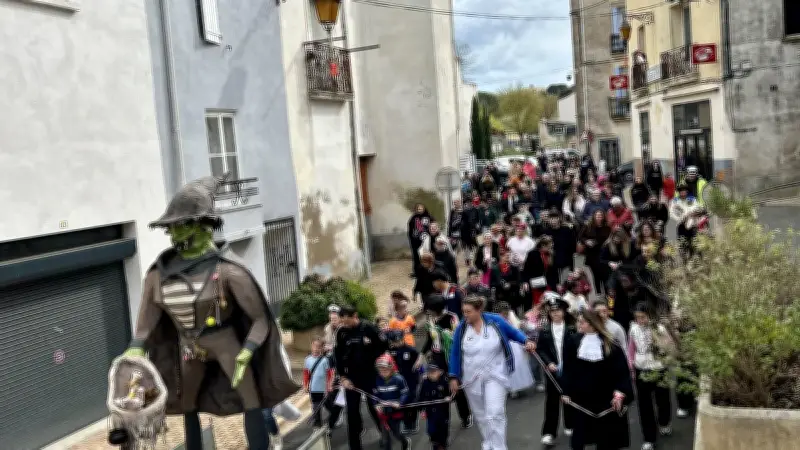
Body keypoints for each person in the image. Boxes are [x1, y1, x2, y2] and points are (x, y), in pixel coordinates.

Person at [120, 175, 298, 450]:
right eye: (172, 228)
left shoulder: (228, 271)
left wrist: (247, 351)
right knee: (187, 403)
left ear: (205, 226)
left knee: (250, 400)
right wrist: (136, 347)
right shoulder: (157, 276)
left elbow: (260, 319)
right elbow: (147, 318)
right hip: (188, 347)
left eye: (184, 225)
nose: (176, 234)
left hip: (226, 344)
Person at [448, 296, 537, 450]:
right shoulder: (461, 329)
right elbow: (455, 353)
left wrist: (526, 341)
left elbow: (514, 333)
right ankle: (488, 442)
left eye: (468, 312)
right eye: (463, 312)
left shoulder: (495, 321)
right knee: (481, 416)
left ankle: (499, 447)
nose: (465, 315)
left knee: (494, 413)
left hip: (495, 375)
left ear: (479, 310)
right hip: (471, 379)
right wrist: (453, 376)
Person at [561, 310, 634, 450]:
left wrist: (620, 393)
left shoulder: (611, 345)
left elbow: (622, 373)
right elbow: (568, 370)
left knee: (606, 439)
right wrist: (566, 391)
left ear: (592, 325)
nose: (579, 324)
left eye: (582, 322)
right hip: (582, 400)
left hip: (605, 400)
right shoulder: (573, 342)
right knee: (579, 438)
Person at [334, 305, 388, 450]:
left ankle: (385, 434)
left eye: (347, 321)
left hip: (370, 375)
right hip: (351, 377)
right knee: (352, 412)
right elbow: (338, 356)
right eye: (342, 321)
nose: (344, 324)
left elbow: (384, 345)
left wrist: (372, 353)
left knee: (374, 407)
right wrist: (343, 377)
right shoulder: (342, 332)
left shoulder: (369, 328)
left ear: (355, 316)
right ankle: (355, 445)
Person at [628, 303, 677, 450]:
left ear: (649, 316)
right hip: (642, 368)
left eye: (643, 317)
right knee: (644, 405)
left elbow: (669, 347)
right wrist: (631, 366)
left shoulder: (659, 329)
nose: (640, 321)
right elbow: (631, 348)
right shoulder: (633, 329)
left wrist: (665, 355)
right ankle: (649, 437)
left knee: (663, 398)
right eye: (637, 318)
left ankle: (664, 422)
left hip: (659, 368)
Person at [421, 294, 473, 428]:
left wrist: (445, 334)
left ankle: (465, 415)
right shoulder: (430, 321)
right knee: (441, 390)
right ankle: (444, 422)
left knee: (456, 388)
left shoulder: (451, 318)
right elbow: (430, 340)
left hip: (450, 358)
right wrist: (421, 354)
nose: (428, 312)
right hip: (437, 359)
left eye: (430, 309)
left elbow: (457, 339)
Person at [537, 294, 577, 446]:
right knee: (552, 402)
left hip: (569, 370)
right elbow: (541, 349)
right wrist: (549, 363)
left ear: (564, 312)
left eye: (558, 310)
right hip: (553, 371)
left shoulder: (572, 329)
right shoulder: (545, 330)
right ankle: (549, 432)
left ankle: (570, 424)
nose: (555, 313)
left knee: (570, 397)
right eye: (552, 311)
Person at [386, 331, 424, 435]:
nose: (397, 343)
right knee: (402, 401)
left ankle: (412, 422)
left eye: (399, 340)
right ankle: (406, 421)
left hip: (411, 379)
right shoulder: (391, 351)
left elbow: (419, 363)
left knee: (411, 400)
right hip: (398, 380)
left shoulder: (410, 350)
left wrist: (421, 374)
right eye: (394, 341)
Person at [372, 354, 412, 450]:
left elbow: (405, 393)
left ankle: (405, 441)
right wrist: (376, 404)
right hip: (383, 413)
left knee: (397, 433)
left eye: (385, 368)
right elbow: (375, 395)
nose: (383, 371)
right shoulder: (378, 380)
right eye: (380, 369)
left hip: (396, 412)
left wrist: (400, 403)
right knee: (386, 437)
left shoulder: (399, 379)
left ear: (391, 367)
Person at [497, 302, 535, 398]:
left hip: (514, 345)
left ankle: (517, 387)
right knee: (505, 367)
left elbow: (517, 330)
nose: (505, 315)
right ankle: (509, 388)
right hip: (504, 345)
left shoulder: (511, 318)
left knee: (517, 366)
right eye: (503, 313)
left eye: (506, 312)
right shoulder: (496, 321)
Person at [304, 337, 341, 430]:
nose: (316, 349)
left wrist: (329, 385)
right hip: (313, 388)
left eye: (319, 347)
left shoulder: (325, 360)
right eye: (314, 346)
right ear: (311, 346)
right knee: (316, 406)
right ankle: (317, 423)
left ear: (322, 348)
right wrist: (305, 385)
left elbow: (330, 373)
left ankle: (335, 416)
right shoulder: (307, 359)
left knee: (328, 404)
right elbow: (306, 373)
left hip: (324, 388)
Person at [418, 355, 451, 449]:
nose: (431, 374)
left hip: (442, 412)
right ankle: (434, 441)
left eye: (433, 372)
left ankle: (442, 444)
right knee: (431, 430)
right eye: (429, 372)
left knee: (443, 429)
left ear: (440, 372)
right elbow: (421, 396)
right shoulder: (425, 383)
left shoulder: (444, 381)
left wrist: (448, 398)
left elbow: (451, 394)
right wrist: (422, 410)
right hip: (430, 412)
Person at [407, 204, 432, 276]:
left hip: (426, 241)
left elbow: (432, 227)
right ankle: (416, 272)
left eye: (421, 209)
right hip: (415, 241)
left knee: (426, 256)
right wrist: (411, 239)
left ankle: (427, 270)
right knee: (416, 257)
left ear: (424, 209)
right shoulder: (413, 218)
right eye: (418, 209)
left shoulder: (429, 217)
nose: (419, 210)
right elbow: (410, 230)